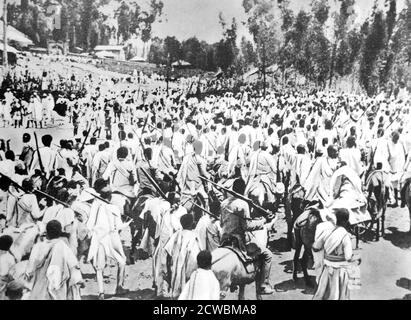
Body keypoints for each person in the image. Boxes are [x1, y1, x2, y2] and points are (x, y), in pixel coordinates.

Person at [220, 178, 275, 295]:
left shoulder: (223, 203)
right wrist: (263, 221)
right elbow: (247, 226)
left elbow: (221, 223)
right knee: (267, 255)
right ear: (243, 190)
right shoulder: (243, 204)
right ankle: (263, 285)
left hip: (224, 239)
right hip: (238, 241)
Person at [25, 220, 83, 300]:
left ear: (47, 232)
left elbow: (30, 269)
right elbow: (74, 266)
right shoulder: (63, 246)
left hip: (39, 287)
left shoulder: (38, 247)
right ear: (60, 232)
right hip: (58, 288)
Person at [312, 208, 360, 300]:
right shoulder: (346, 236)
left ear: (336, 218)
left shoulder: (326, 232)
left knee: (322, 294)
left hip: (327, 270)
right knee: (340, 296)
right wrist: (357, 259)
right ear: (346, 221)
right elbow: (348, 257)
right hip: (340, 272)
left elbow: (315, 247)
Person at [164, 214, 203, 299]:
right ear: (192, 223)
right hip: (191, 269)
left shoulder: (176, 235)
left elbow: (168, 253)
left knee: (178, 290)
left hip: (176, 268)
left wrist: (168, 270)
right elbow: (196, 255)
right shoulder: (194, 236)